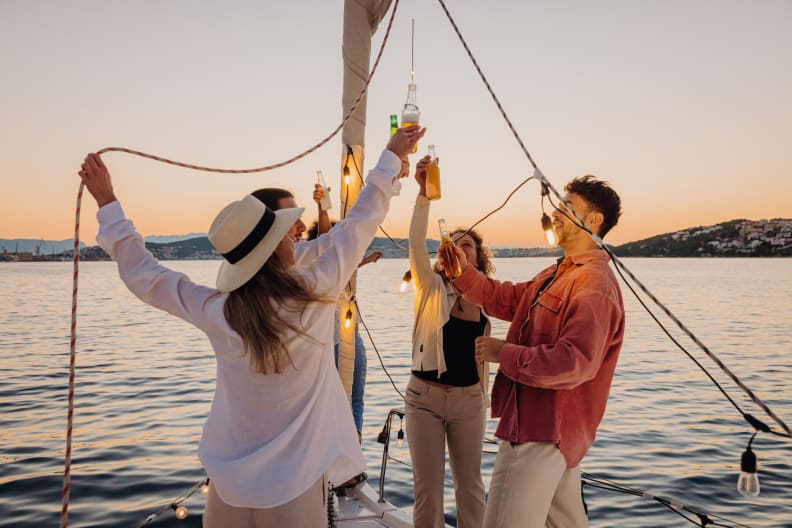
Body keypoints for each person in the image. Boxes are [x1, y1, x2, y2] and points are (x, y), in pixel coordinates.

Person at [78, 124, 425, 528]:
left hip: (229, 489)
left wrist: (107, 201)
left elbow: (146, 276)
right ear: (278, 245)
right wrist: (390, 159)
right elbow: (360, 223)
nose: (294, 239)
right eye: (286, 235)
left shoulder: (218, 309)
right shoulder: (315, 293)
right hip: (295, 487)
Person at [439, 175, 624, 528]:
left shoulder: (594, 284)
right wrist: (461, 273)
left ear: (595, 220)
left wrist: (503, 353)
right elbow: (506, 298)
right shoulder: (560, 273)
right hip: (554, 435)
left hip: (541, 430)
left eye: (567, 207)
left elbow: (575, 363)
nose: (555, 212)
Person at [406, 154, 494, 528]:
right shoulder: (429, 289)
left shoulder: (488, 299)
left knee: (470, 487)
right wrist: (424, 197)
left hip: (468, 403)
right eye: (453, 243)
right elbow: (414, 241)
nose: (460, 247)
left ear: (478, 257)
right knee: (428, 491)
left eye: (468, 245)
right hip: (424, 399)